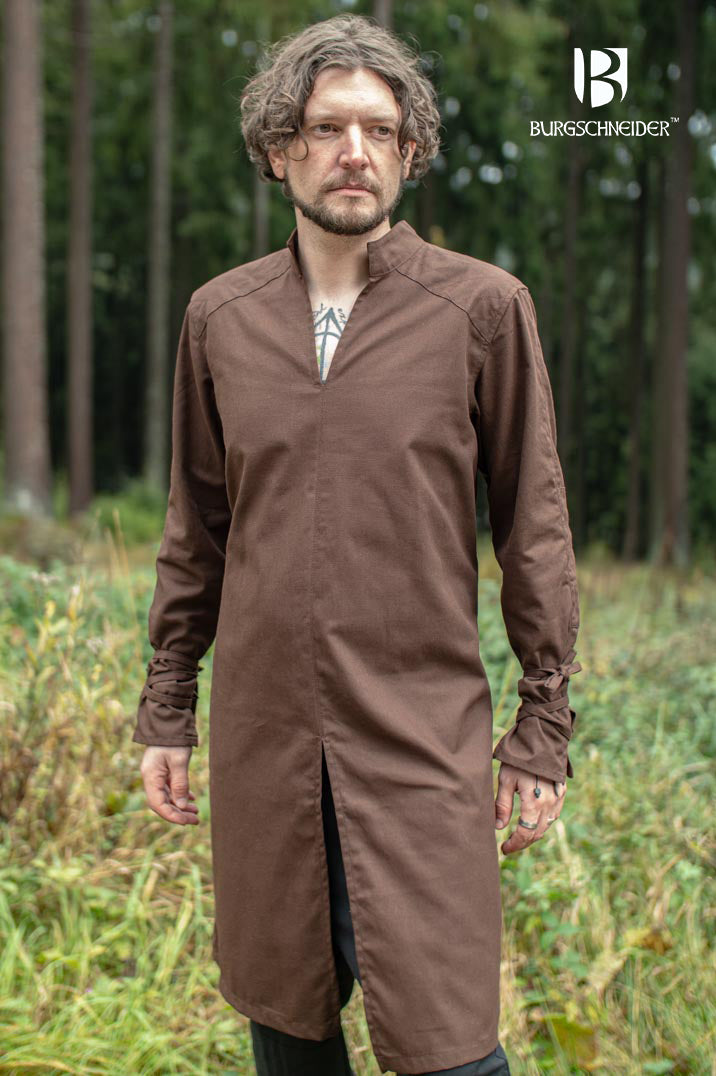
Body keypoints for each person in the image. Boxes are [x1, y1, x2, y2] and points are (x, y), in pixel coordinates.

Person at [132, 14, 581, 1076]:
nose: (353, 153)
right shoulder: (220, 317)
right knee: (288, 1031)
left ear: (411, 152)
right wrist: (168, 705)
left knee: (451, 1046)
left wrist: (543, 724)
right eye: (325, 128)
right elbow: (197, 528)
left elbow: (534, 529)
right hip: (264, 737)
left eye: (380, 131)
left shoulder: (480, 309)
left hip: (420, 738)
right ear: (277, 149)